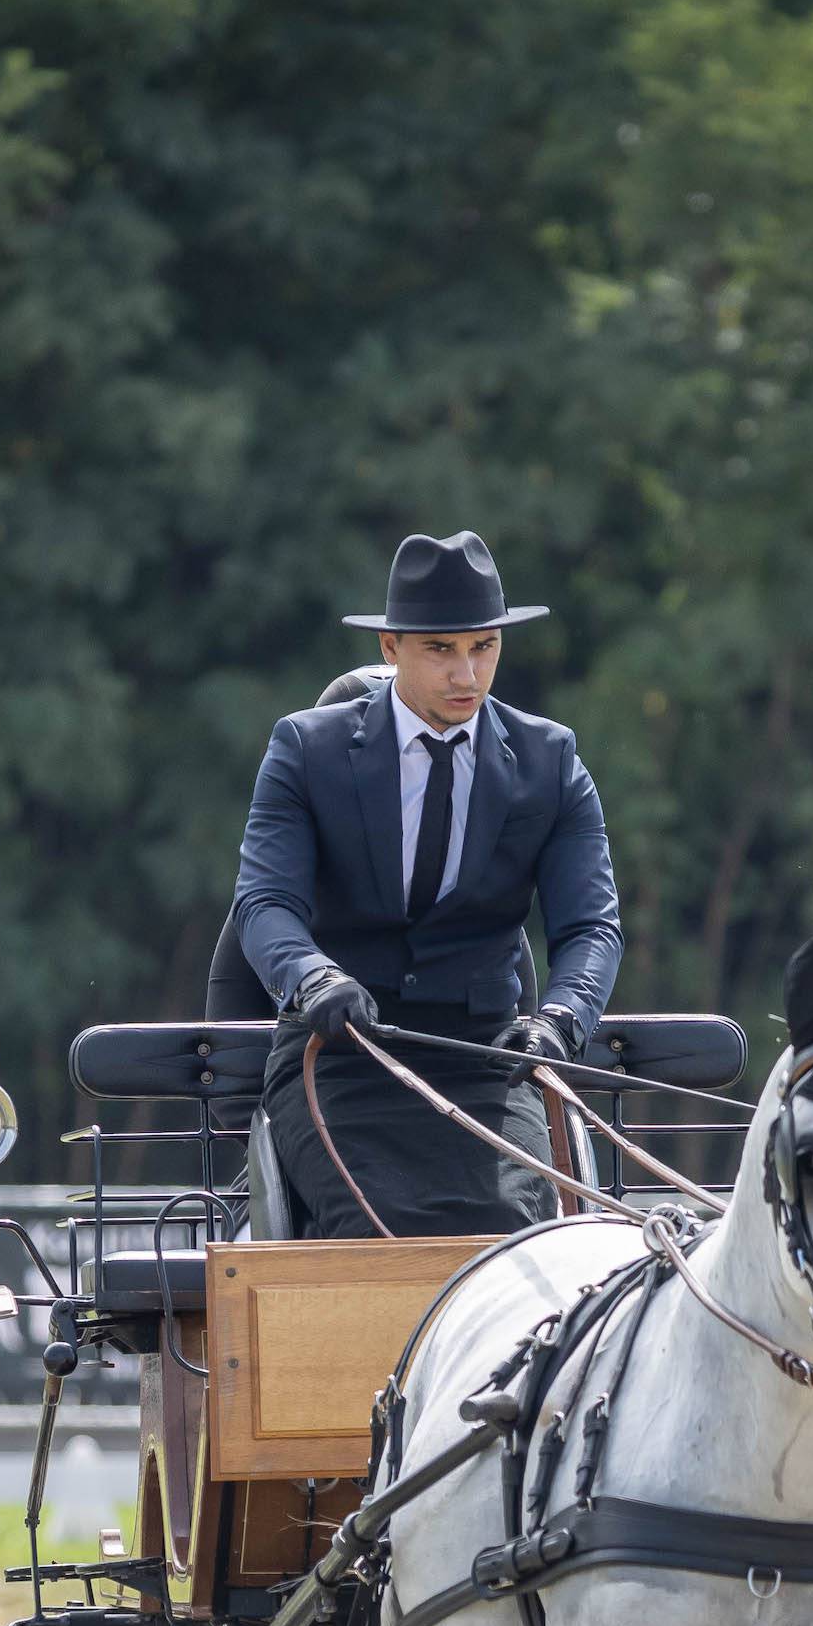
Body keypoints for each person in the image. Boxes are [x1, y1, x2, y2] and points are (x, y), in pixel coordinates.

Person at [230, 530, 622, 1236]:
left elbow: (591, 927)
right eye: (441, 650)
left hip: (484, 1064)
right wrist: (314, 978)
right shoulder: (305, 749)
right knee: (373, 1230)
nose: (466, 675)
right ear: (391, 649)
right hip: (340, 1055)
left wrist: (560, 1020)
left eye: (484, 648)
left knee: (516, 1232)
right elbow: (264, 904)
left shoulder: (551, 761)